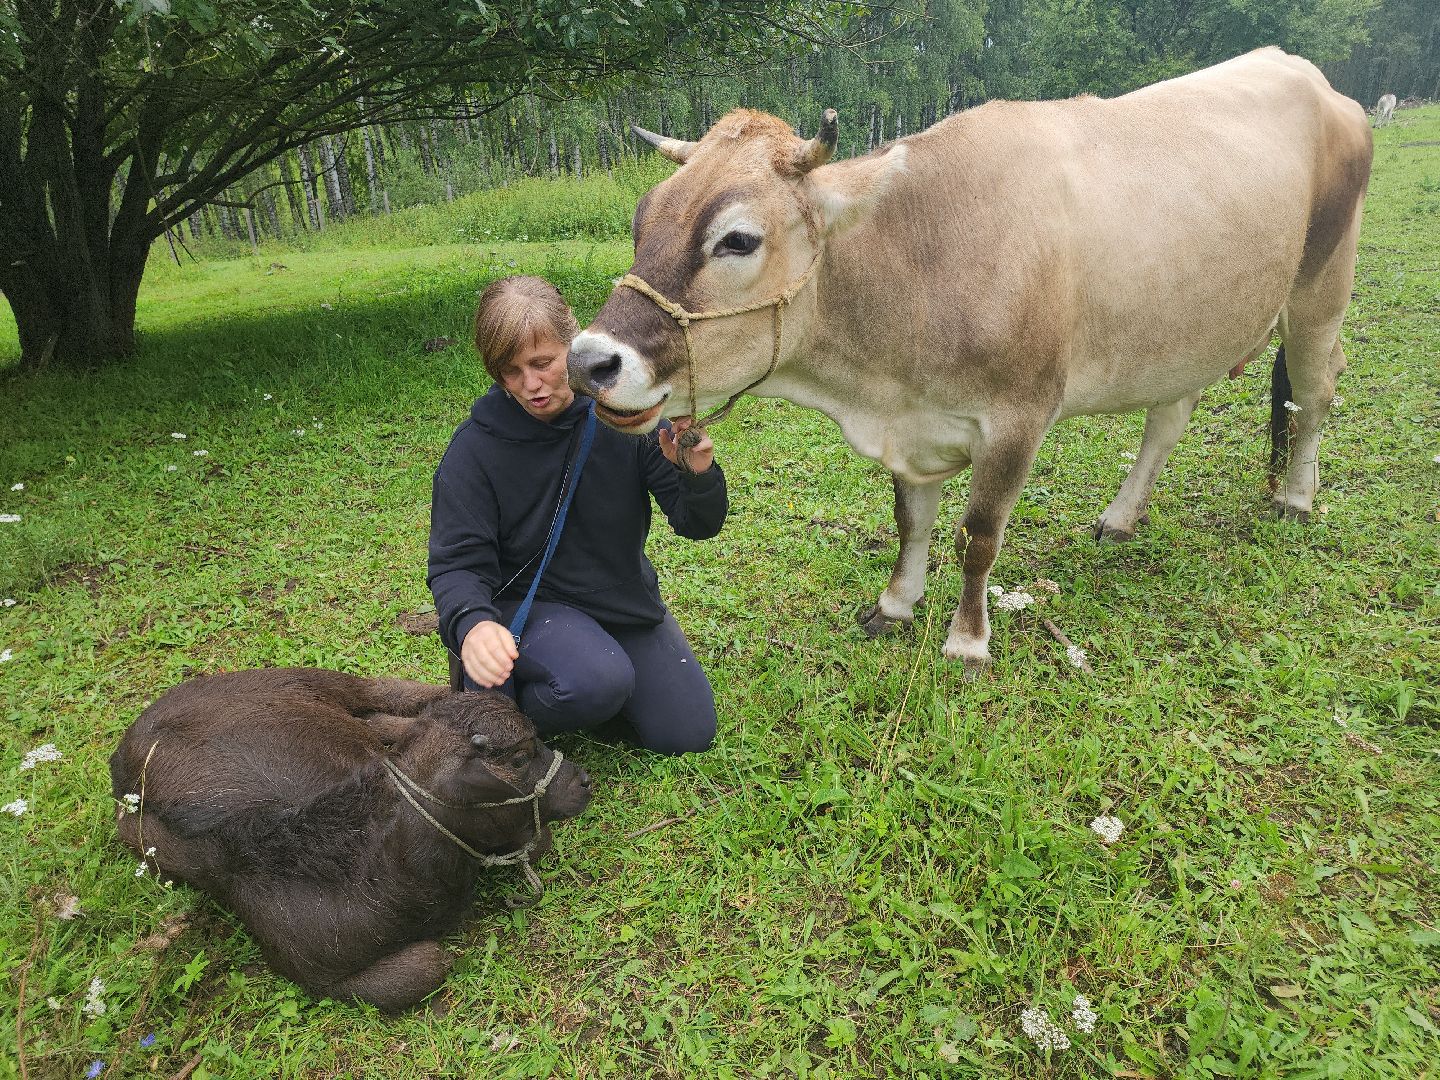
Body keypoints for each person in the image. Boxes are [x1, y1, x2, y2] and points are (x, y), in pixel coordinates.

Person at [428, 275, 728, 754]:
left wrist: (697, 475)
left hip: (619, 600)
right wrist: (474, 624)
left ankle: (591, 688)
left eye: (543, 363)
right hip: (526, 607)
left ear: (574, 344)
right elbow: (455, 563)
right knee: (597, 680)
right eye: (510, 371)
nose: (531, 385)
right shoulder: (474, 450)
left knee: (688, 733)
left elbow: (699, 524)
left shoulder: (625, 417)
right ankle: (500, 709)